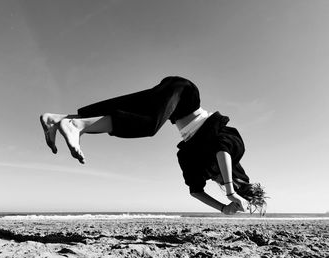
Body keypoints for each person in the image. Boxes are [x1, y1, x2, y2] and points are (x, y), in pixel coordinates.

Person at [40, 76, 266, 215]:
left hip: (172, 108)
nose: (219, 182)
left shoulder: (198, 164)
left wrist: (222, 208)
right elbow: (222, 151)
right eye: (226, 182)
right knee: (148, 126)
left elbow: (196, 191)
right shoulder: (235, 148)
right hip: (184, 93)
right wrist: (230, 190)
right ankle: (76, 126)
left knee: (123, 108)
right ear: (237, 177)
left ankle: (57, 119)